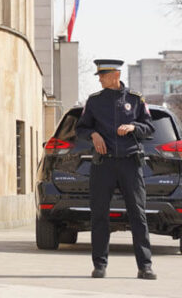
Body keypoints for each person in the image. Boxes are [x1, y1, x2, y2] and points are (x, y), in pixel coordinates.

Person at [76, 59, 156, 280]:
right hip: (104, 165)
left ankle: (145, 266)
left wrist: (134, 127)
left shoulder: (135, 100)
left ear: (115, 75)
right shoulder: (94, 102)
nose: (99, 79)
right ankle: (99, 265)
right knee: (99, 215)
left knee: (138, 215)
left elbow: (150, 127)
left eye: (103, 75)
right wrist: (93, 134)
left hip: (130, 163)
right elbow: (81, 128)